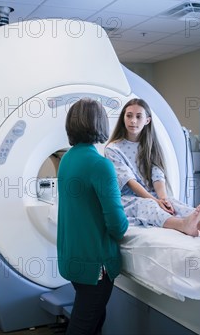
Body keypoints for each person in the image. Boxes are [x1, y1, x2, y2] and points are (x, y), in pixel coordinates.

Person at [57, 98, 129, 335]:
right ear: (100, 124)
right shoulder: (101, 165)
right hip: (95, 265)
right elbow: (117, 226)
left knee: (95, 319)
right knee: (83, 325)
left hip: (72, 258)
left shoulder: (67, 158)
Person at [105, 98, 200, 238]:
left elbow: (157, 175)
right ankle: (183, 225)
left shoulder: (151, 146)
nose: (133, 120)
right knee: (148, 205)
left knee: (173, 202)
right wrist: (155, 201)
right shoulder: (113, 149)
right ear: (123, 118)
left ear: (147, 120)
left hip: (152, 194)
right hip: (127, 199)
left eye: (139, 117)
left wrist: (163, 199)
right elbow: (130, 181)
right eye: (129, 115)